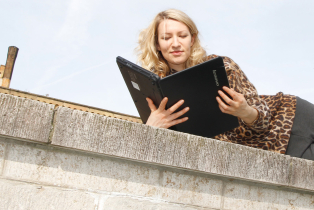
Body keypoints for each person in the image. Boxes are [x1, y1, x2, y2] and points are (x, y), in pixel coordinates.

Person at [135, 9, 314, 160]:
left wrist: (245, 111)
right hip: (274, 151)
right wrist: (150, 129)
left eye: (182, 36)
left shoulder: (221, 66)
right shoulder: (154, 88)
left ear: (192, 38)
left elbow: (263, 118)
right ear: (157, 44)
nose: (176, 44)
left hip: (292, 117)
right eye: (166, 38)